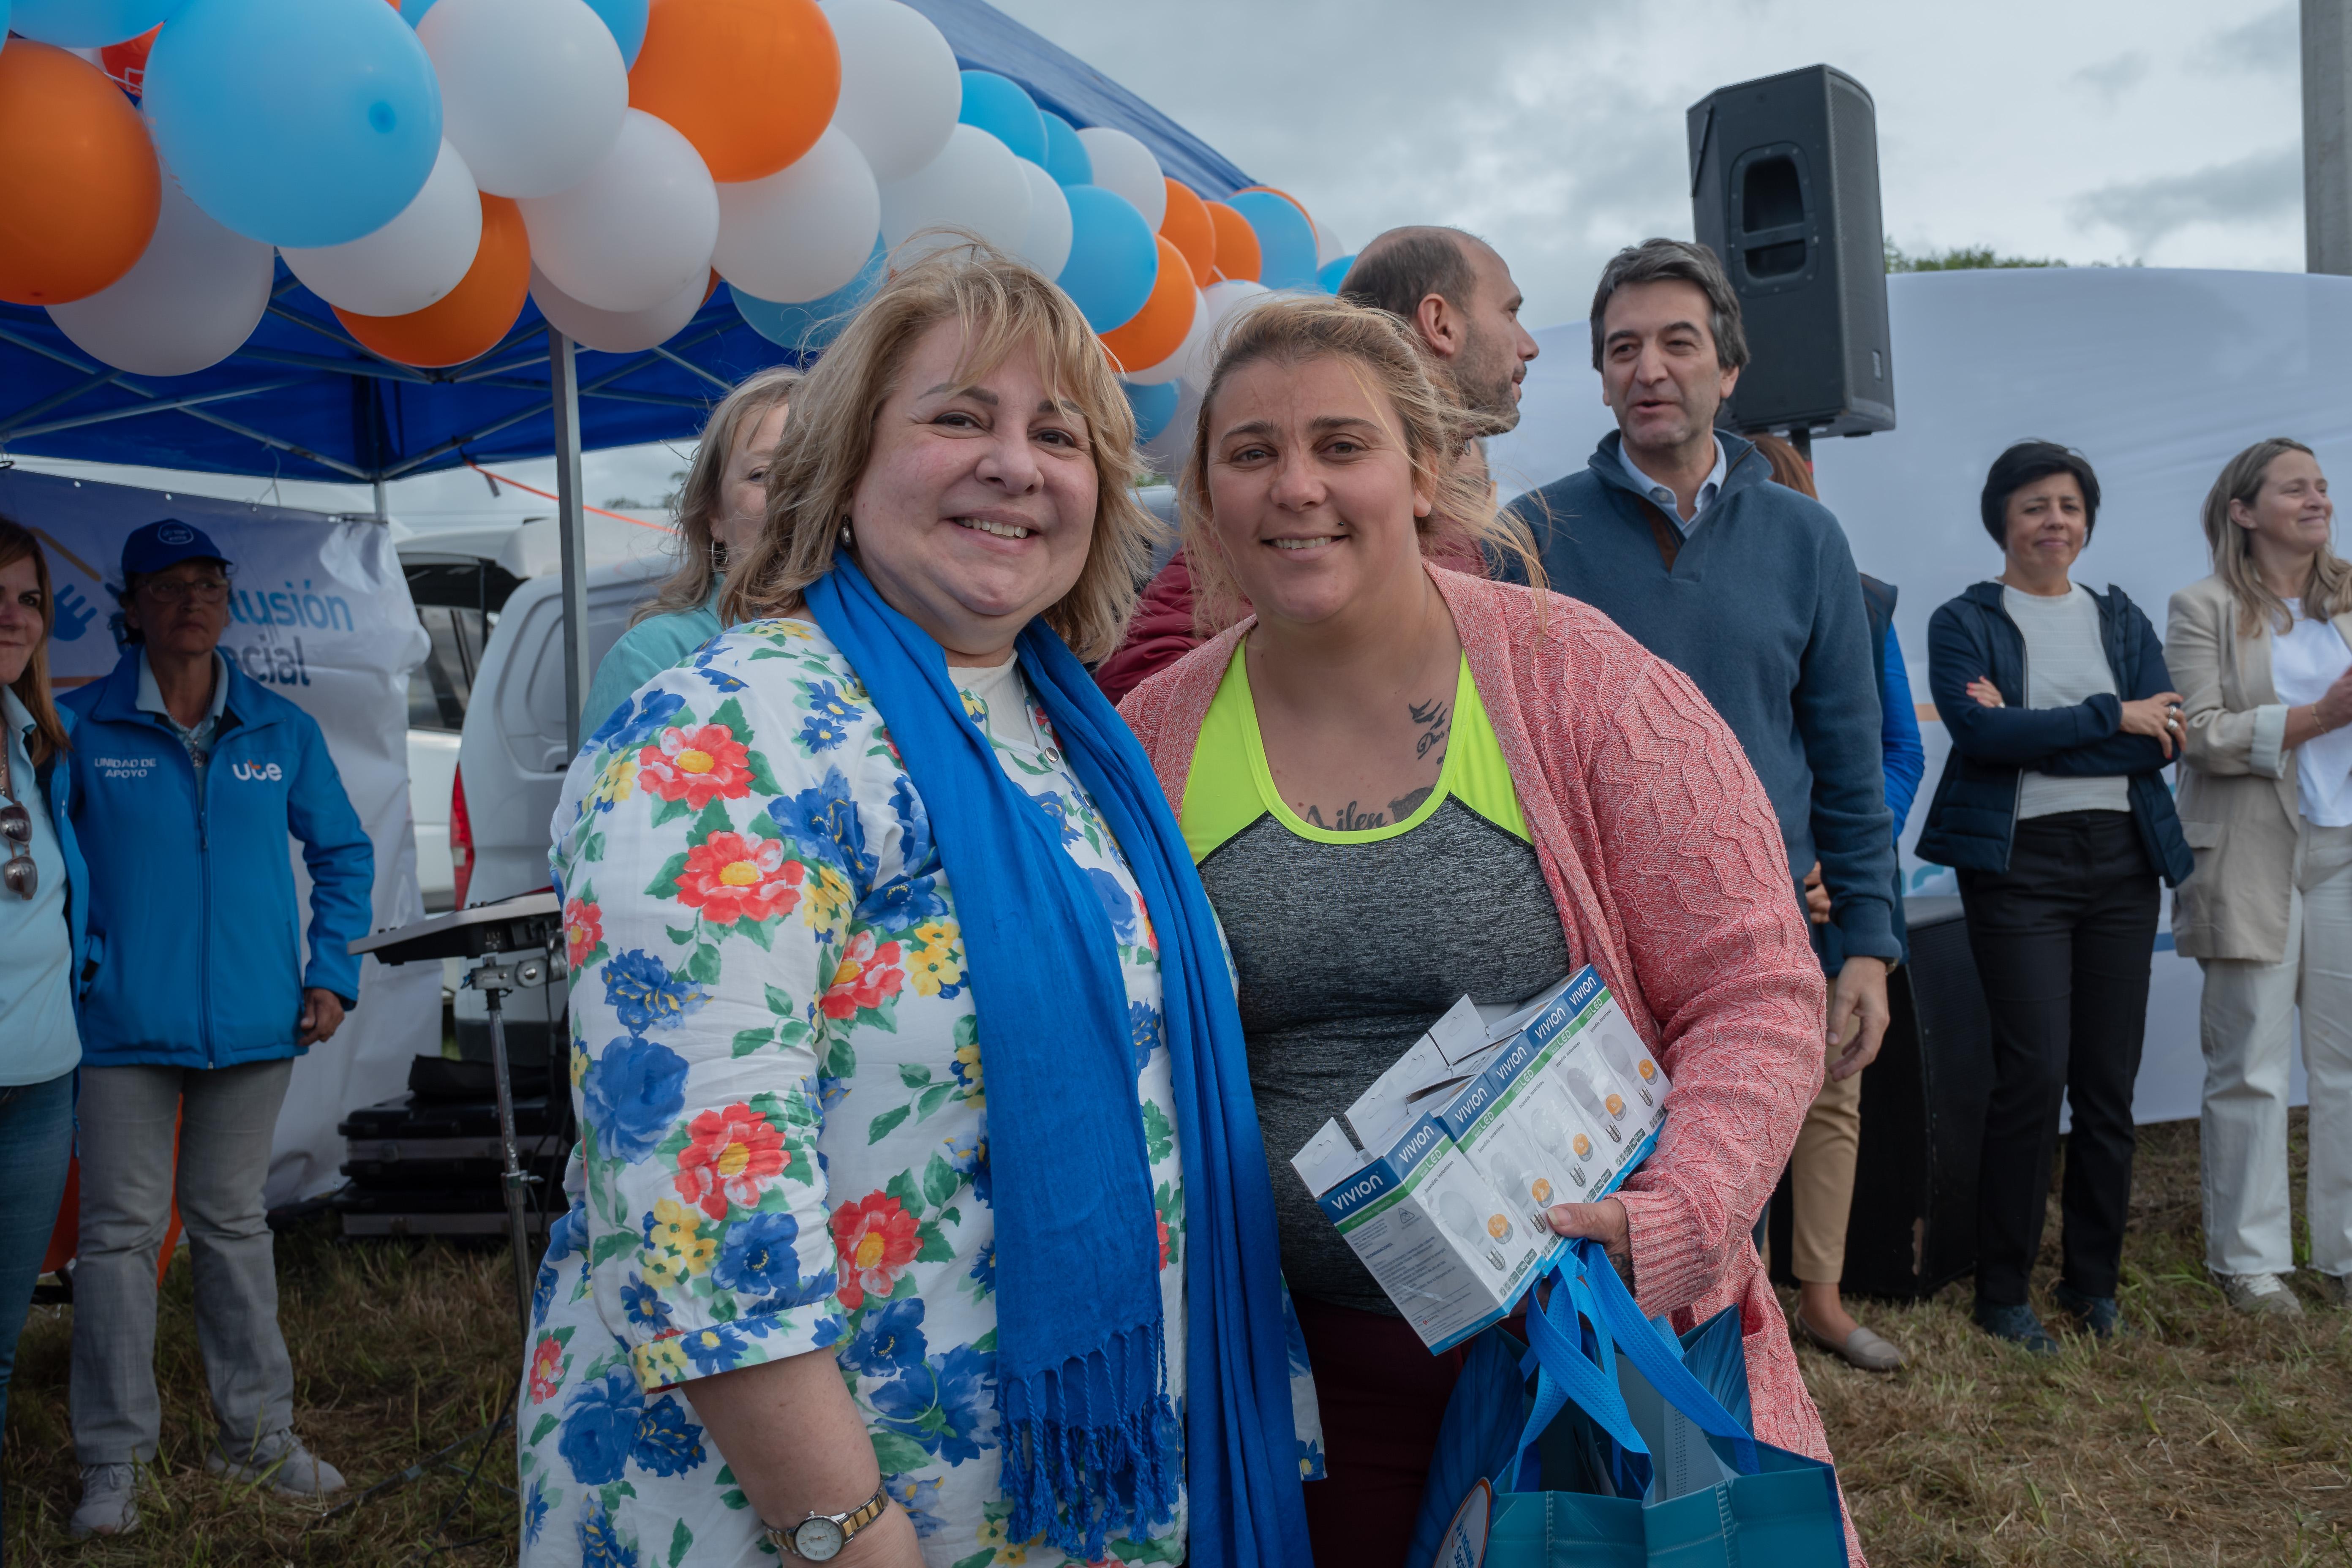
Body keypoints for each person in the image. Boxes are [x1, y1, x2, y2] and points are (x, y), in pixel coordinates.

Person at [521, 245, 1314, 1568]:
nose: (1014, 464)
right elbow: (698, 1200)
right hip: (808, 1520)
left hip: (1072, 1505)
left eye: (1056, 434)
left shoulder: (1065, 738)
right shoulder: (727, 729)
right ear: (845, 465)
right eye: (957, 416)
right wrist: (847, 1531)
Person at [1118, 294, 1858, 1565]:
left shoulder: (1582, 681)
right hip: (1293, 1379)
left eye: (1340, 445)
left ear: (1420, 472)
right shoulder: (1154, 736)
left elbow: (1750, 988)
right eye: (1250, 453)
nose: (1296, 487)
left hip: (1575, 1356)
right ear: (1206, 495)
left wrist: (1680, 1212)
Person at [1504, 238, 1903, 1239]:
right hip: (1589, 952)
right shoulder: (1528, 539)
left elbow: (1849, 757)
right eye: (1622, 348)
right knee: (1609, 1226)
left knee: (1735, 1223)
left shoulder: (1807, 540)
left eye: (1677, 343)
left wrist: (1866, 945)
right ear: (1599, 378)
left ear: (1728, 368)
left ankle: (1746, 1394)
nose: (1648, 369)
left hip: (1756, 947)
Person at [60, 519, 374, 1538]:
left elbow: (344, 853)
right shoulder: (78, 729)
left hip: (252, 1028)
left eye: (211, 583)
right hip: (118, 1031)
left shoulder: (278, 728)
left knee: (233, 1228)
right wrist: (81, 972)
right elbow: (44, 879)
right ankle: (113, 1460)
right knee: (116, 1241)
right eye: (170, 586)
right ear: (133, 605)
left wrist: (330, 974)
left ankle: (258, 1437)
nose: (194, 601)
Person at [1917, 441, 2193, 1354]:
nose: (2055, 522)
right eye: (2036, 506)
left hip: (2122, 861)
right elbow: (1978, 735)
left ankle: (2093, 1281)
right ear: (2004, 518)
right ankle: (2003, 1290)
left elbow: (2167, 741)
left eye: (2071, 506)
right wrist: (2111, 714)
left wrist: (2043, 730)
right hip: (2018, 865)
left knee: (2107, 1083)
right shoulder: (1967, 620)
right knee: (2032, 1074)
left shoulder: (2121, 618)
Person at [1092, 226, 1537, 703]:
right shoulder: (1270, 528)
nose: (1527, 344)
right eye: (1511, 312)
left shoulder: (1579, 664)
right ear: (1440, 323)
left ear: (1424, 476)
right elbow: (1142, 687)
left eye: (1343, 448)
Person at [2170, 437, 2352, 1316]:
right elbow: (2198, 732)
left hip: (2345, 846)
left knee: (2347, 1060)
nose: (2317, 498)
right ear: (2244, 511)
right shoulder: (2201, 605)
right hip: (2250, 853)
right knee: (2250, 1061)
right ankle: (2250, 1260)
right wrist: (2317, 716)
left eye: (2322, 486)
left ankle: (2345, 1252)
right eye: (2295, 488)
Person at [1750, 433, 1919, 1372]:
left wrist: (1842, 864)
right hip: (1728, 891)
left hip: (1822, 899)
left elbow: (1896, 751)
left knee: (1831, 1096)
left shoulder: (1858, 596)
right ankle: (1736, 1300)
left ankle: (1820, 1297)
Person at [0, 519, 86, 1521]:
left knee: (2, 1325)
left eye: (28, 598)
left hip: (41, 1079)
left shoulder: (38, 742)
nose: (12, 618)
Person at [579, 366, 800, 737]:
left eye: (813, 470)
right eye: (761, 474)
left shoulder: (885, 637)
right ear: (714, 514)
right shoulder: (652, 658)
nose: (792, 493)